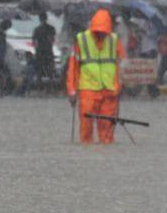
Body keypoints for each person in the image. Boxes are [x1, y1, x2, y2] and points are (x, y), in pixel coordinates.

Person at [66, 10, 126, 144]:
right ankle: (87, 150)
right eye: (98, 31)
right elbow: (73, 68)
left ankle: (105, 152)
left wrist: (120, 85)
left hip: (109, 91)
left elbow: (122, 64)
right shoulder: (81, 40)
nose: (101, 34)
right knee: (86, 128)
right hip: (88, 91)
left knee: (107, 130)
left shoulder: (114, 40)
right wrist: (72, 91)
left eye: (104, 32)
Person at [32, 12, 57, 92]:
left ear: (40, 19)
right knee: (50, 71)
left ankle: (39, 88)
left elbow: (33, 42)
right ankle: (50, 88)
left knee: (39, 71)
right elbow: (52, 40)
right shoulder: (51, 28)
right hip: (48, 51)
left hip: (40, 52)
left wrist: (37, 49)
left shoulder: (37, 29)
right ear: (46, 18)